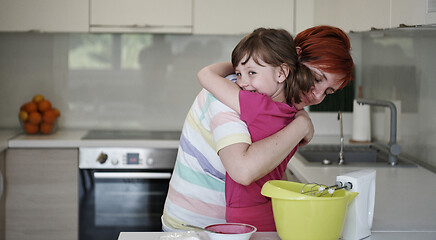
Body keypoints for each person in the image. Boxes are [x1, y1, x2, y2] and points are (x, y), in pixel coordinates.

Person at [162, 25, 354, 232]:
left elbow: (272, 170)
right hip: (196, 228)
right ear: (293, 59)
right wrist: (302, 125)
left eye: (328, 91)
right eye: (317, 79)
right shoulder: (232, 93)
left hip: (238, 228)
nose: (317, 96)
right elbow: (243, 171)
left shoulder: (281, 102)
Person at [196, 27, 315, 231]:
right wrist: (246, 63)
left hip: (245, 212)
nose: (242, 83)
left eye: (252, 72)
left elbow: (205, 74)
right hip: (274, 205)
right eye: (239, 73)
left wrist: (234, 65)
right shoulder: (292, 113)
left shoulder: (258, 106)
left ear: (282, 72)